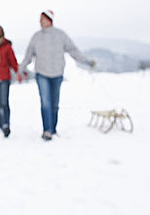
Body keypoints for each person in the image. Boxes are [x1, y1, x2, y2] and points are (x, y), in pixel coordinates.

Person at [20, 10, 95, 141]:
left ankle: (53, 129)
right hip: (41, 73)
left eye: (42, 19)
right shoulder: (36, 36)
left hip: (57, 74)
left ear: (49, 20)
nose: (40, 22)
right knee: (45, 102)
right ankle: (47, 130)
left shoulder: (60, 35)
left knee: (54, 104)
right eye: (39, 20)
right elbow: (28, 54)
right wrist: (21, 68)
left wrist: (87, 62)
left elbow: (73, 50)